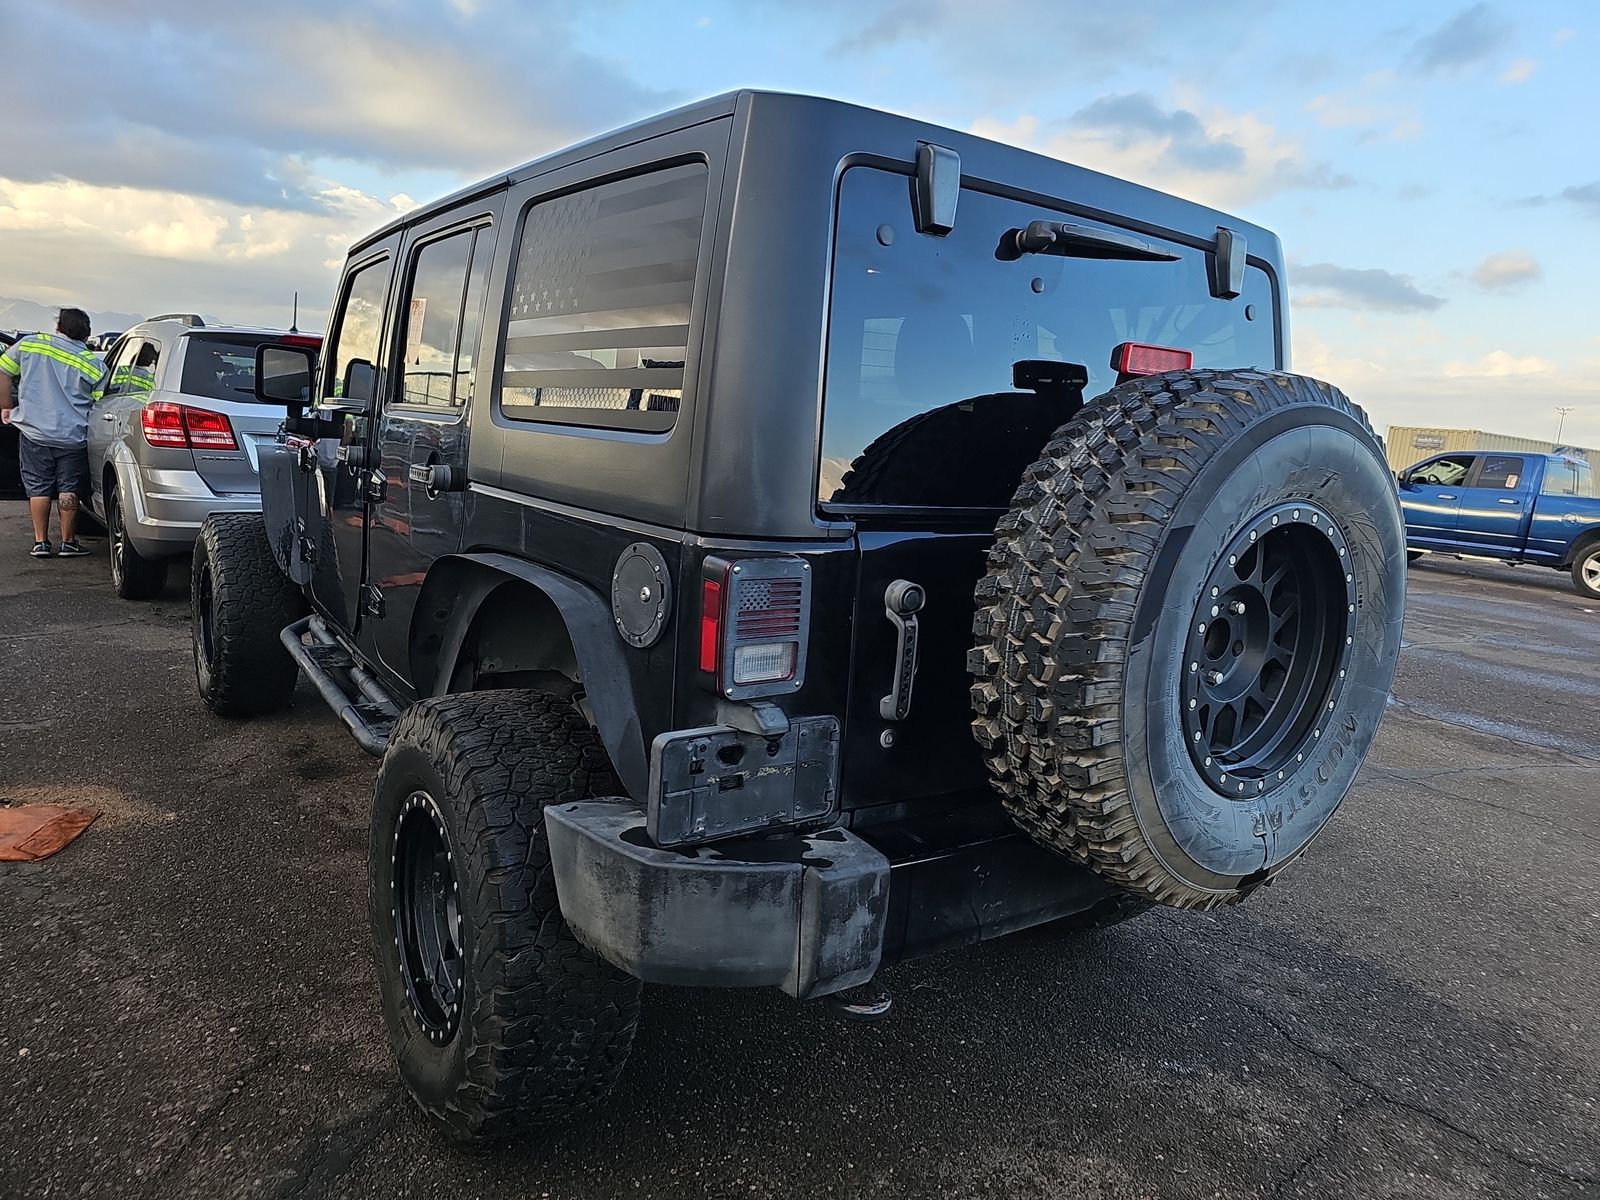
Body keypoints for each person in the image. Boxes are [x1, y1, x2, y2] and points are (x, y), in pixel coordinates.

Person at [0, 308, 106, 557]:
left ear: (58, 326)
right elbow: (99, 404)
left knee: (38, 486)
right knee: (69, 488)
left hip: (35, 433)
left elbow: (3, 371)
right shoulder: (94, 364)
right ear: (86, 333)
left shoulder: (31, 345)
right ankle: (68, 542)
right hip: (73, 436)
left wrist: (6, 406)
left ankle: (41, 542)